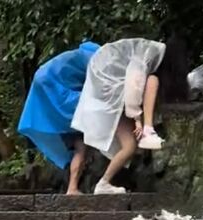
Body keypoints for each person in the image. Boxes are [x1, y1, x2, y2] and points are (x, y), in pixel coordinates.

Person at [72, 36, 190, 194]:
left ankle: (103, 183)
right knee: (152, 81)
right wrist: (137, 120)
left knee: (129, 146)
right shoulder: (150, 53)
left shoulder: (151, 52)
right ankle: (148, 131)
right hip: (110, 94)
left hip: (107, 95)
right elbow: (134, 84)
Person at [18, 41, 100, 195]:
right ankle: (72, 188)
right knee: (81, 148)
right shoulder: (92, 58)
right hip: (67, 109)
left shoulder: (72, 58)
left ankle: (72, 187)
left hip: (59, 113)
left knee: (79, 150)